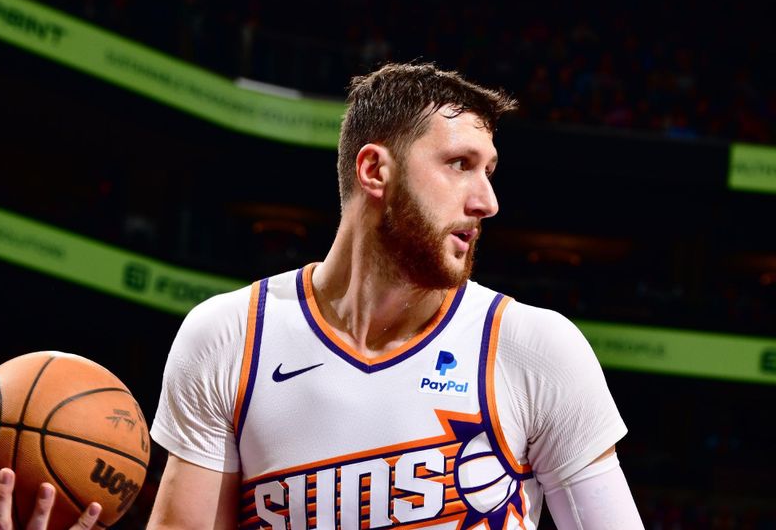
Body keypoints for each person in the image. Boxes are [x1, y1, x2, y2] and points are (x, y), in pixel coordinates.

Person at [145, 61, 645, 529]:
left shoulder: (535, 348)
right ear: (375, 171)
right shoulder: (229, 337)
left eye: (488, 171)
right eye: (459, 164)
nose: (487, 202)